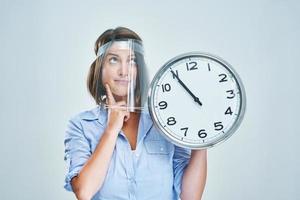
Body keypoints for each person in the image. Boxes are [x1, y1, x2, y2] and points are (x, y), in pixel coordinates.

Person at [64, 27, 207, 200]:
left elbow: (190, 196)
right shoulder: (81, 125)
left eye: (131, 61)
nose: (123, 71)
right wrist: (111, 130)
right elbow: (84, 192)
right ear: (100, 70)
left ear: (139, 69)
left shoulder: (164, 121)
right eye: (114, 60)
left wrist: (202, 141)